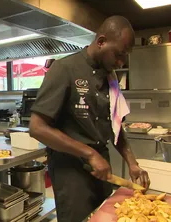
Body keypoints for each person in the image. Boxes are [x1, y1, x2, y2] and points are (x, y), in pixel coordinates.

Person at [29, 16, 150, 222]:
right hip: (71, 171)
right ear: (101, 41)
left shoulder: (109, 77)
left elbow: (116, 127)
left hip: (102, 167)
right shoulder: (64, 69)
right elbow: (37, 128)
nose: (120, 62)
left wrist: (132, 163)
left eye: (125, 57)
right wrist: (89, 153)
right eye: (118, 55)